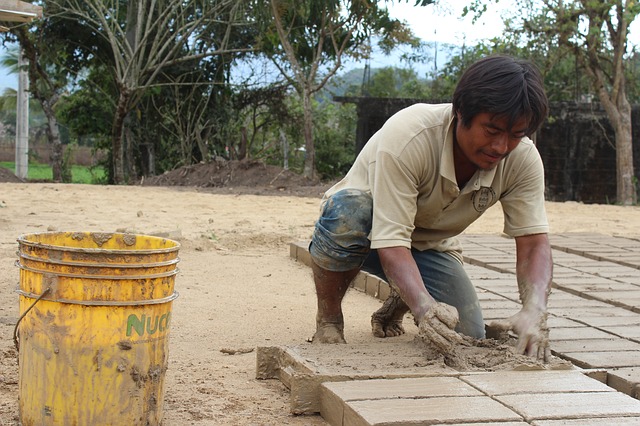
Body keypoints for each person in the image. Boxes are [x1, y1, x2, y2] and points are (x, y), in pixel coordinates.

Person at [308, 54, 553, 362]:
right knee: (348, 212)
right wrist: (424, 309)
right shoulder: (410, 136)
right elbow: (392, 240)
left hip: (429, 246)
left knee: (467, 332)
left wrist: (535, 310)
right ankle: (329, 321)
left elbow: (533, 244)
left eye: (516, 135)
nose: (501, 147)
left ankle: (404, 294)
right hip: (367, 231)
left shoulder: (523, 159)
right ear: (461, 112)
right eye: (491, 131)